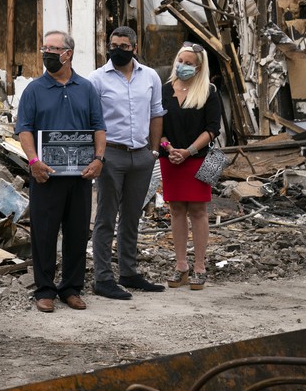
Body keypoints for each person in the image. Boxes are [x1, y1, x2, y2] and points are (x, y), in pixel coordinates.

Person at [16, 30, 106, 313]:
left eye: (54, 49)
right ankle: (44, 290)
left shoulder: (86, 88)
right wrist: (33, 162)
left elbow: (98, 126)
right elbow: (24, 130)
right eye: (45, 48)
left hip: (80, 176)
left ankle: (71, 288)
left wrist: (99, 158)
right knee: (44, 233)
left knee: (78, 232)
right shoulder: (33, 90)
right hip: (45, 175)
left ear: (68, 53)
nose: (47, 53)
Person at [88, 27, 166, 300]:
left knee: (132, 216)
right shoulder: (97, 79)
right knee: (106, 218)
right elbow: (92, 120)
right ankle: (103, 278)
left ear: (134, 47)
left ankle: (129, 273)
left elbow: (157, 113)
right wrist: (98, 155)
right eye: (113, 44)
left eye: (123, 45)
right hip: (111, 154)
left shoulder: (151, 77)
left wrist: (154, 152)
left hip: (141, 155)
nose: (117, 49)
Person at [159, 42, 222, 291]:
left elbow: (212, 129)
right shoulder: (165, 90)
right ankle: (181, 265)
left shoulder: (209, 91)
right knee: (176, 210)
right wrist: (168, 148)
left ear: (198, 67)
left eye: (188, 63)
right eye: (180, 61)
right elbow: (157, 125)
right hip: (170, 158)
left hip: (199, 159)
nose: (182, 66)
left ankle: (199, 267)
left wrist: (188, 151)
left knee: (198, 210)